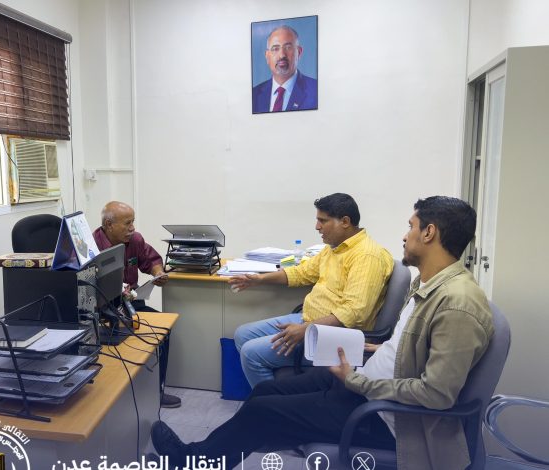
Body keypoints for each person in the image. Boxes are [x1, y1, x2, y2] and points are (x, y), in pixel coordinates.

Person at [152, 196, 493, 470]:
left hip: (386, 418)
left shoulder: (458, 304)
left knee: (262, 411)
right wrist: (377, 353)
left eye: (411, 227)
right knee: (266, 391)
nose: (405, 236)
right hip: (364, 383)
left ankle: (193, 459)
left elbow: (436, 394)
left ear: (429, 233)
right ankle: (228, 447)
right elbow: (413, 347)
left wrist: (356, 380)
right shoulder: (429, 285)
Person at [230, 193, 393, 386]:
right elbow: (302, 272)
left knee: (251, 354)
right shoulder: (335, 248)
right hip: (310, 320)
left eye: (322, 221)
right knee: (242, 334)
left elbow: (354, 311)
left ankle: (273, 401)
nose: (317, 227)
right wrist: (260, 279)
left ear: (345, 222)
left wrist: (306, 330)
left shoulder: (367, 256)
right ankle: (285, 392)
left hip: (336, 336)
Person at [93, 201, 180, 409]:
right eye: (127, 223)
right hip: (102, 308)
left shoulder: (135, 240)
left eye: (133, 222)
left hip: (130, 302)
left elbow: (151, 261)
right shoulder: (91, 246)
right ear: (109, 225)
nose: (132, 228)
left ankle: (157, 390)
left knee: (162, 330)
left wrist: (158, 273)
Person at [252, 25, 318, 113]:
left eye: (288, 47)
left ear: (299, 52)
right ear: (267, 56)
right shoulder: (254, 94)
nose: (282, 55)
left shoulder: (316, 90)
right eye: (275, 49)